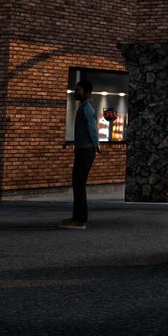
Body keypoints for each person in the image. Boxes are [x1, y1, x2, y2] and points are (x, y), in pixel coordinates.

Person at [61, 79, 100, 230]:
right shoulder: (84, 108)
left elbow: (92, 128)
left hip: (85, 151)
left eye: (78, 90)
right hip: (82, 149)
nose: (75, 93)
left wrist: (96, 145)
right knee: (77, 183)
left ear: (87, 93)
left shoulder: (86, 109)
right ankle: (77, 217)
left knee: (79, 183)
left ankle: (80, 219)